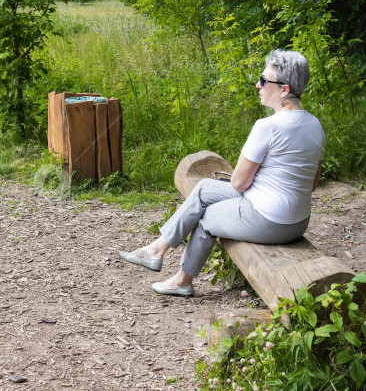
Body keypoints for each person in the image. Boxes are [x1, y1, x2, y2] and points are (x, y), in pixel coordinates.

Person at [118, 50, 326, 296]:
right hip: (298, 221)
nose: (257, 84)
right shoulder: (315, 125)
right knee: (205, 188)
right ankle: (156, 249)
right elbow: (312, 183)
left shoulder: (268, 127)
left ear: (284, 90)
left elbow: (238, 184)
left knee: (207, 219)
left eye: (264, 80)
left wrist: (257, 185)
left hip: (271, 220)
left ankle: (182, 281)